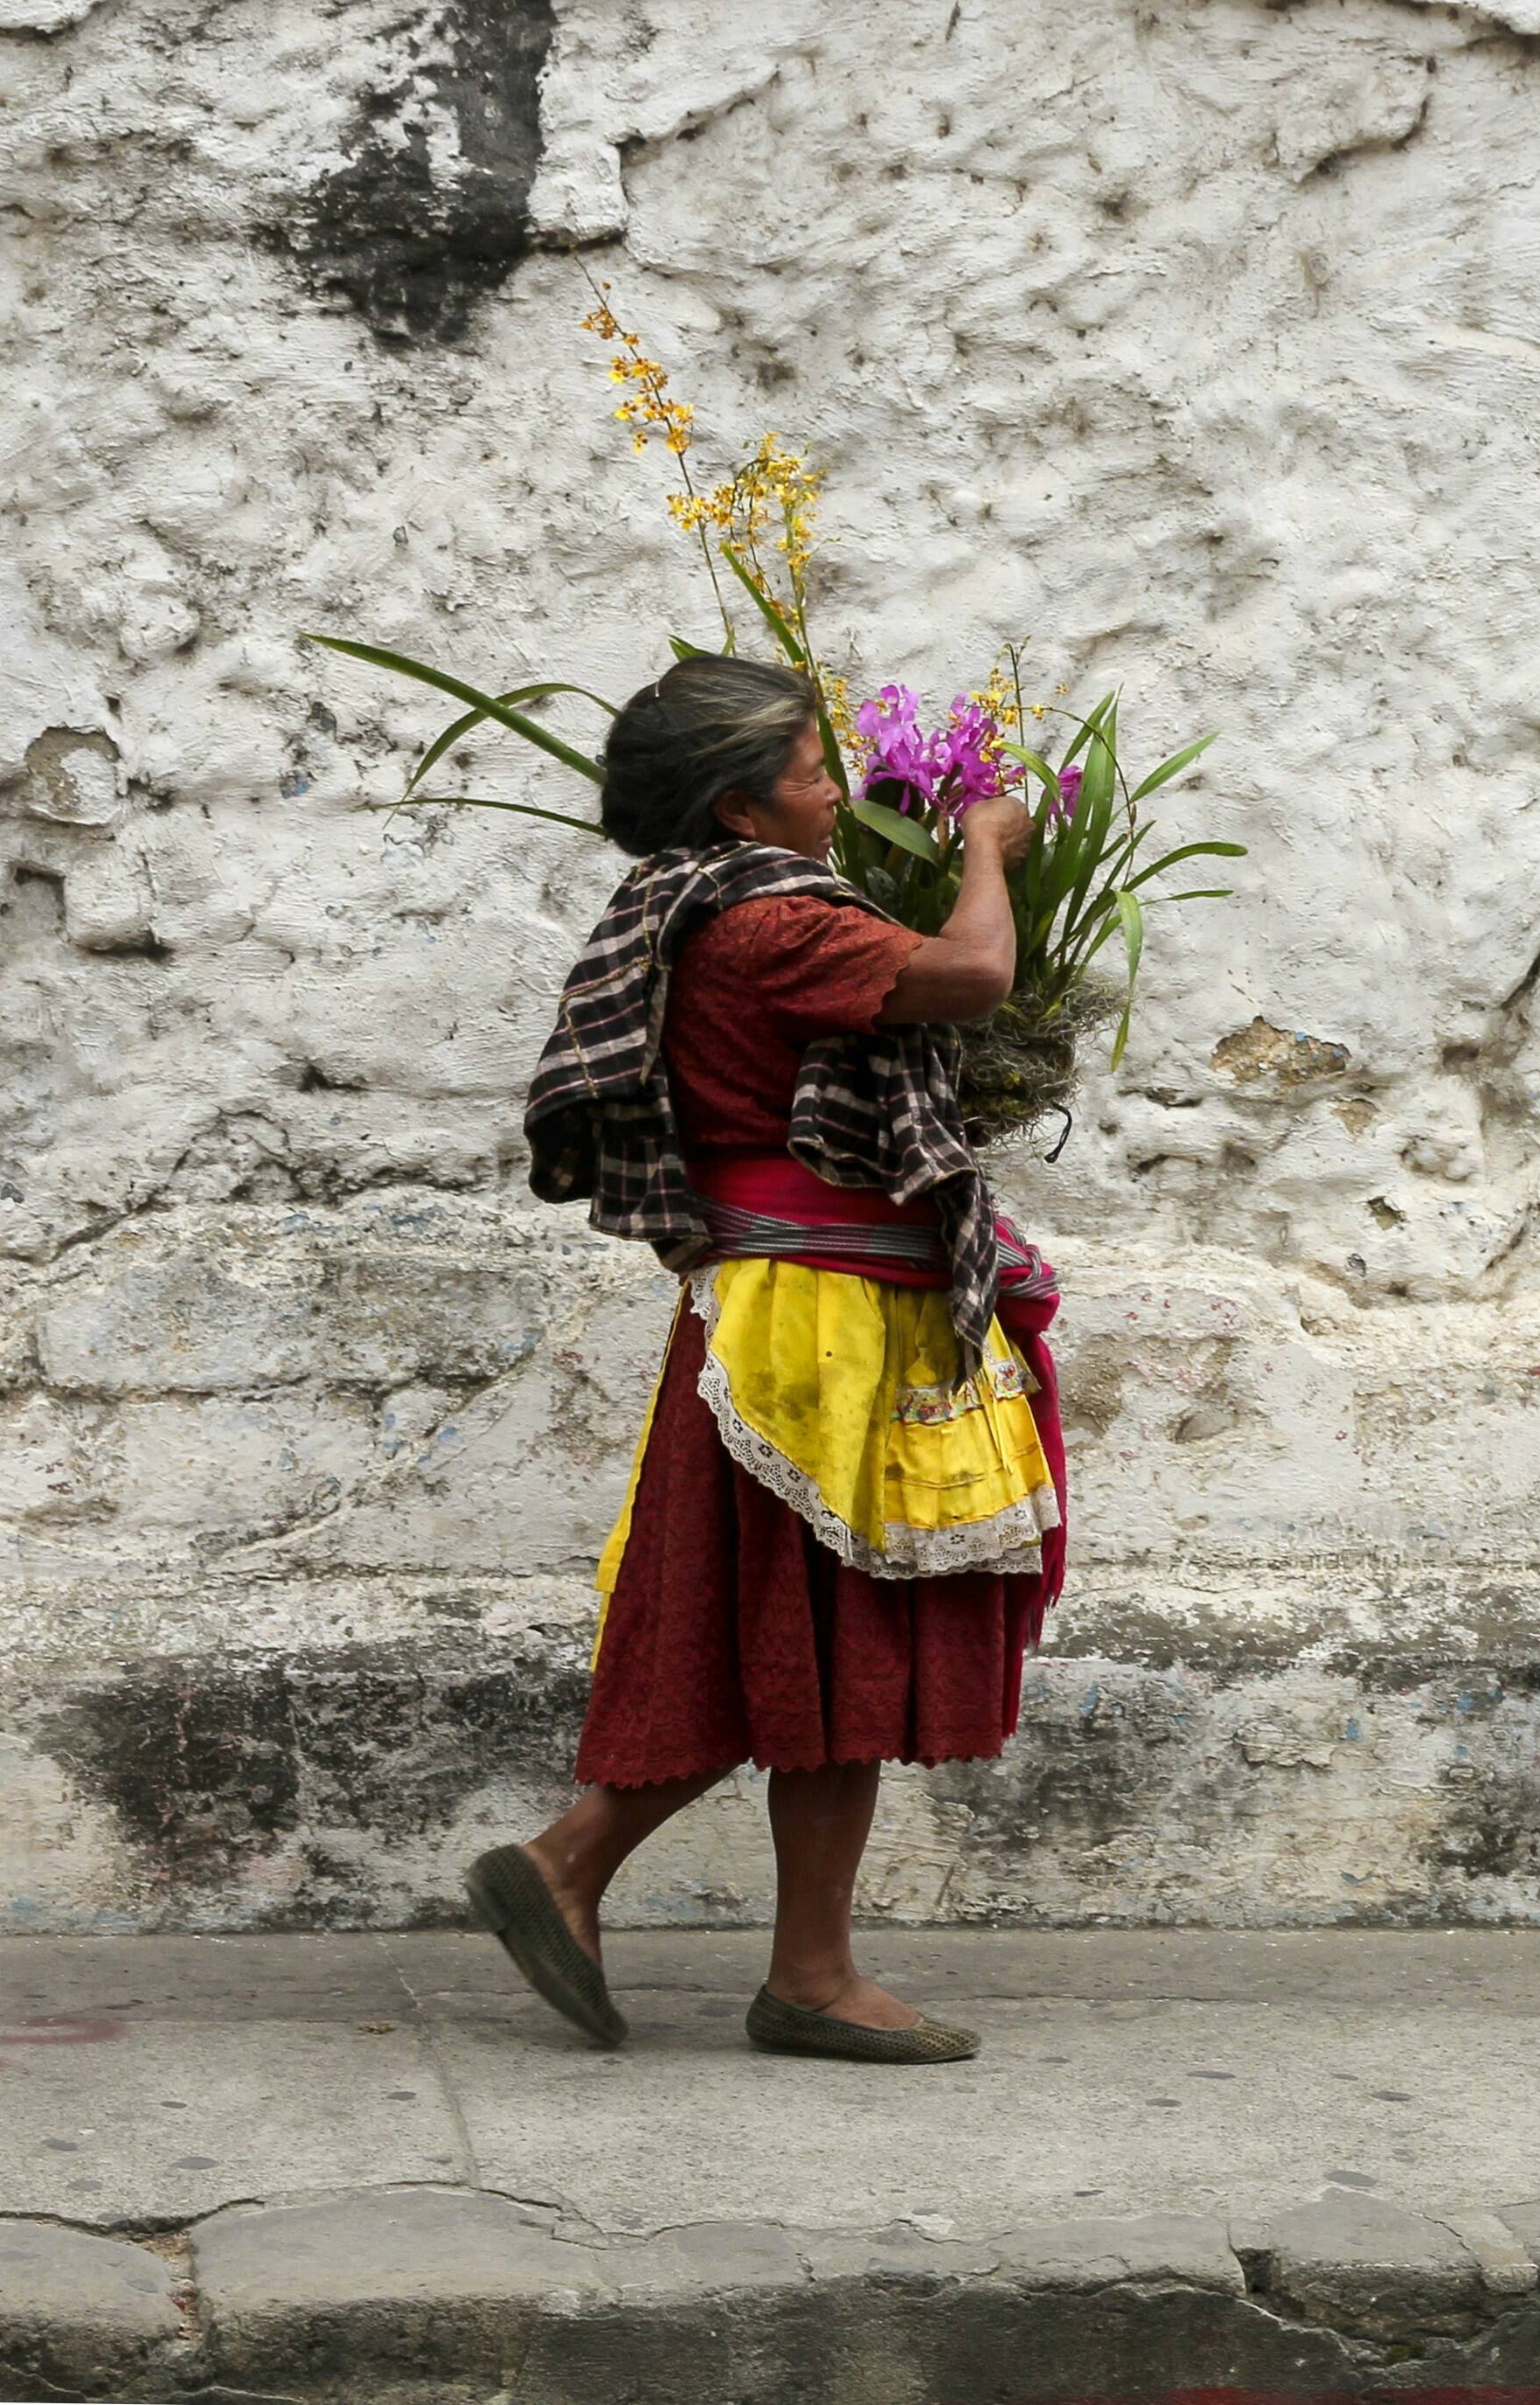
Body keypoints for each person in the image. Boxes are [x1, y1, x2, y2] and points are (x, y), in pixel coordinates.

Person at [462, 654, 1068, 2063]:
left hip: (786, 1303)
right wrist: (984, 843)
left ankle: (761, 1944)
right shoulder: (773, 927)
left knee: (801, 1627)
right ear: (739, 806)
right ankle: (712, 1927)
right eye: (810, 769)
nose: (836, 790)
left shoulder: (692, 907)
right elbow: (973, 974)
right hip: (819, 1326)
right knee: (821, 1623)